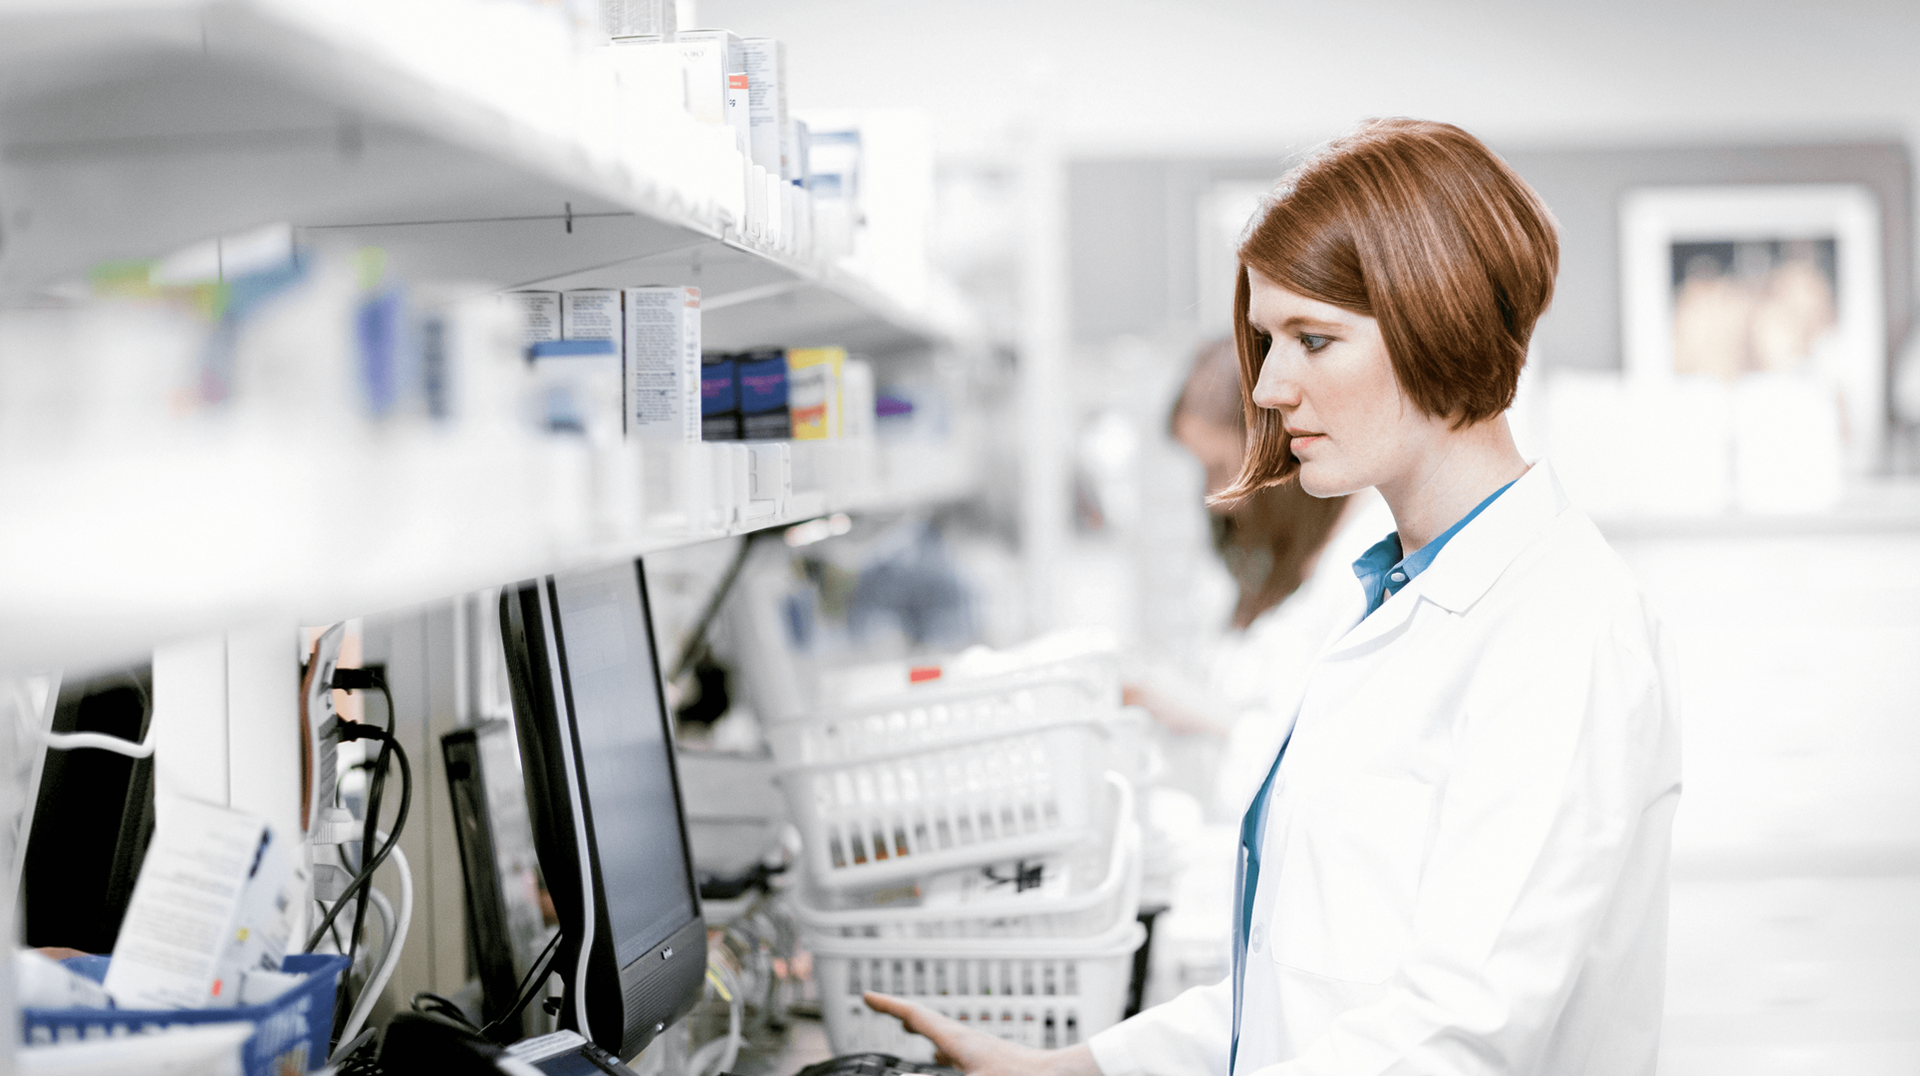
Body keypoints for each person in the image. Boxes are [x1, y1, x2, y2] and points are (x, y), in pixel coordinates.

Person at [864, 117, 1683, 1075]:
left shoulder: (1558, 630)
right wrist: (1060, 1071)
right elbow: (1303, 988)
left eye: (1315, 338)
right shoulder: (1402, 593)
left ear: (1440, 323)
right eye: (1268, 339)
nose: (1272, 386)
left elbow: (1458, 1039)